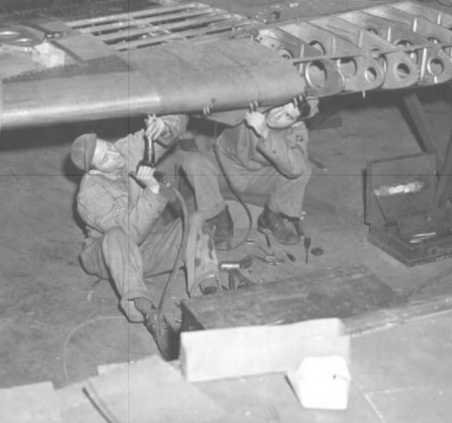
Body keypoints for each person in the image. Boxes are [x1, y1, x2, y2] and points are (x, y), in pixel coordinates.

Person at [71, 113, 216, 354]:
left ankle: (211, 290)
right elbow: (129, 235)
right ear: (94, 172)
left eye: (108, 146)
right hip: (110, 256)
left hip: (147, 249)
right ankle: (148, 312)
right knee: (116, 235)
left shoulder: (125, 149)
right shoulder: (89, 195)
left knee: (195, 219)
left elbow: (180, 119)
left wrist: (164, 126)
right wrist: (153, 190)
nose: (115, 154)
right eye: (105, 158)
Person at [180, 96, 318, 249]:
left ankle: (271, 216)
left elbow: (297, 167)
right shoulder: (252, 105)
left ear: (296, 123)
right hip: (224, 170)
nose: (276, 115)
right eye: (279, 106)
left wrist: (266, 133)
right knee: (194, 162)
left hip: (258, 178)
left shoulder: (296, 130)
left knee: (303, 169)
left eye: (287, 116)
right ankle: (219, 215)